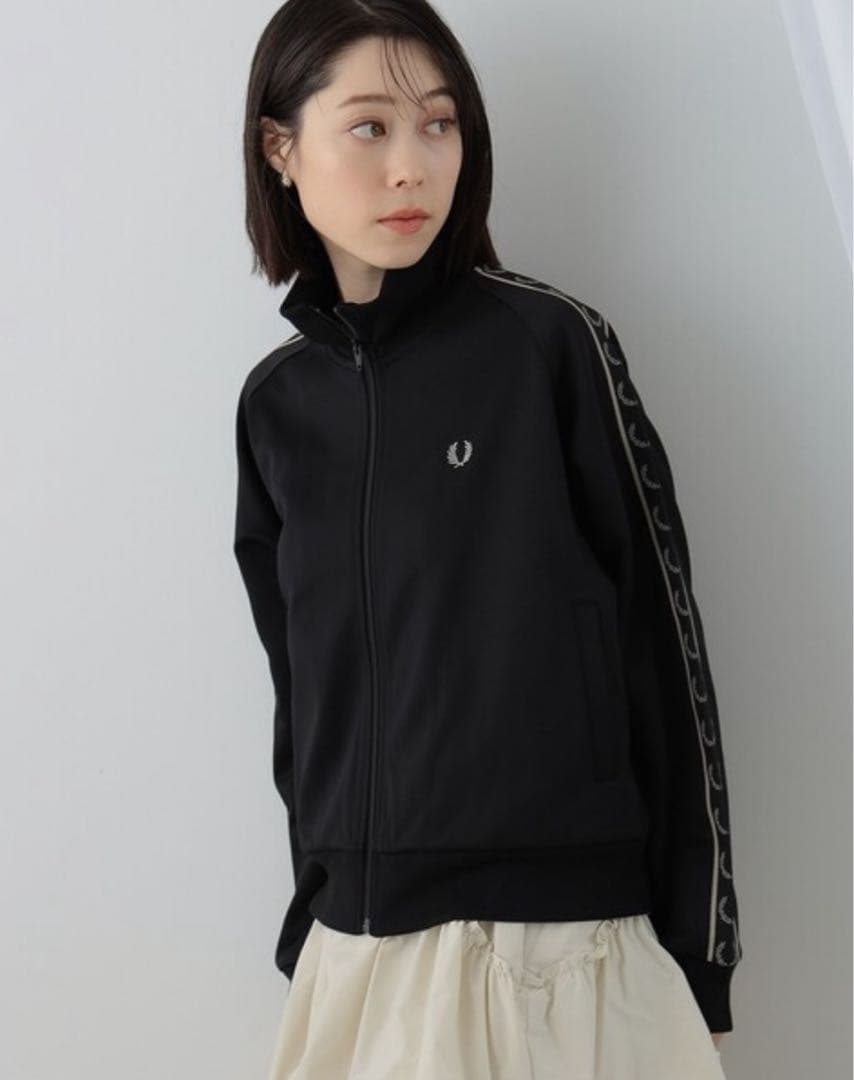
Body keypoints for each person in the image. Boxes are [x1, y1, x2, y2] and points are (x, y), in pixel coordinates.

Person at [233, 1, 742, 1076]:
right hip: (358, 956)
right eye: (369, 127)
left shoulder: (548, 347)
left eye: (439, 124)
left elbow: (663, 653)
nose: (411, 166)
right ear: (280, 148)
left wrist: (701, 952)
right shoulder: (276, 408)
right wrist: (312, 918)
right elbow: (301, 691)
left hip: (560, 954)